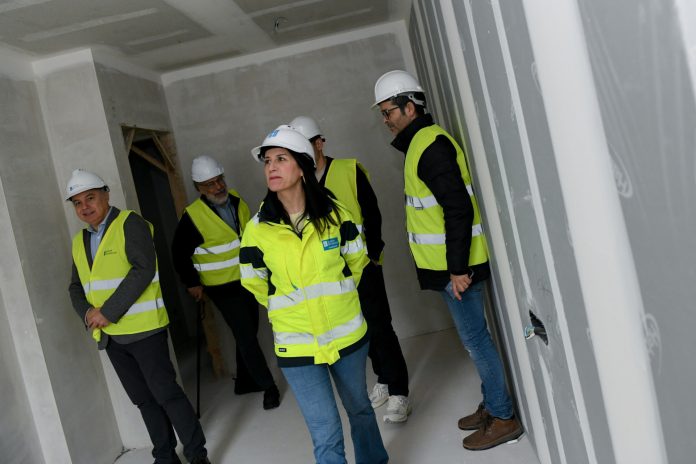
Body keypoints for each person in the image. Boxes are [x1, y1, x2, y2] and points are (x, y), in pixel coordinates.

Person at [372, 70, 523, 451]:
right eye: (383, 113)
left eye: (389, 111)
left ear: (410, 107)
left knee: (476, 341)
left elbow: (458, 209)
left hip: (457, 269)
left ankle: (503, 416)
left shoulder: (430, 146)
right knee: (473, 340)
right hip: (447, 267)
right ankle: (492, 404)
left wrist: (457, 269)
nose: (385, 119)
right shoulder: (420, 144)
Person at [240, 125, 389, 464]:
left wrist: (337, 296)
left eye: (281, 159)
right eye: (267, 161)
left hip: (346, 334)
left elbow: (356, 262)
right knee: (324, 430)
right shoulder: (257, 229)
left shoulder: (336, 215)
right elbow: (254, 281)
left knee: (360, 410)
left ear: (303, 167)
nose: (272, 167)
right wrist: (289, 307)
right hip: (297, 345)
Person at [65, 169, 210, 464]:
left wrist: (107, 311)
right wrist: (89, 314)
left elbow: (143, 269)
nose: (84, 207)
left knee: (167, 394)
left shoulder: (130, 224)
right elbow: (75, 286)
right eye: (77, 203)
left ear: (106, 194)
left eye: (90, 198)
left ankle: (197, 456)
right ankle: (165, 457)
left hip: (144, 331)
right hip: (110, 337)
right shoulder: (80, 240)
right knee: (143, 400)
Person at [289, 115, 411, 423]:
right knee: (360, 330)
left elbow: (372, 214)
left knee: (380, 326)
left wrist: (373, 255)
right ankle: (383, 379)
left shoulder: (348, 170)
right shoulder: (299, 183)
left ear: (320, 143)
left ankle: (399, 392)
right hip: (332, 275)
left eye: (307, 146)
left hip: (363, 264)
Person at [171, 155, 280, 410]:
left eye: (219, 180)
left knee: (248, 330)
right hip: (221, 287)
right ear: (199, 188)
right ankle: (269, 387)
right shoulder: (192, 217)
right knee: (245, 334)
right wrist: (192, 283)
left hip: (248, 279)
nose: (218, 186)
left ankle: (244, 381)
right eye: (210, 184)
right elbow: (178, 254)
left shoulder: (237, 201)